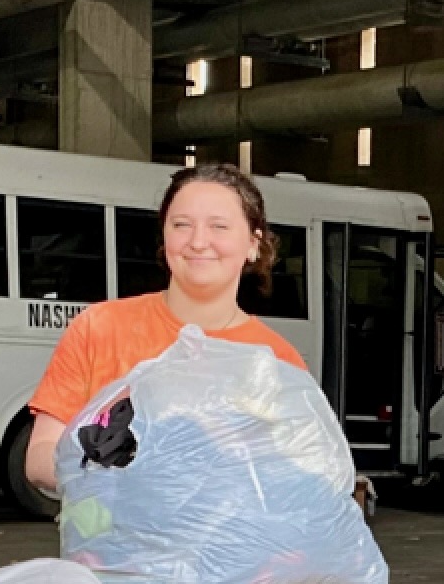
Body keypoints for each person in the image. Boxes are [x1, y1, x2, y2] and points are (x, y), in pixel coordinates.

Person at [22, 163, 308, 495]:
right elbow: (40, 457)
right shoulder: (99, 328)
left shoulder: (276, 360)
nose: (199, 242)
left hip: (231, 546)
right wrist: (122, 479)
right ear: (165, 236)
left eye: (220, 226)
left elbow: (296, 477)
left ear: (253, 244)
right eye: (182, 225)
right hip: (107, 544)